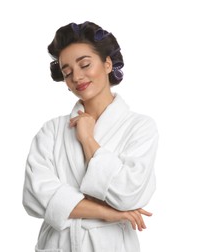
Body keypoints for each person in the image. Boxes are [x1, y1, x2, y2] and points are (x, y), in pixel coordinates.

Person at [22, 21, 159, 252]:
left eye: (85, 64)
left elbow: (128, 193)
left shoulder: (140, 127)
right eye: (67, 72)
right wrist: (108, 213)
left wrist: (87, 139)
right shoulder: (51, 131)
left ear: (107, 64)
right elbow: (34, 198)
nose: (76, 76)